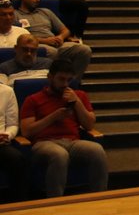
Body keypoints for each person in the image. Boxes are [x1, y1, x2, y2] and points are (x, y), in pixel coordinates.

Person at [19, 58, 107, 197]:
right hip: (44, 143)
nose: (65, 84)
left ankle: (99, 197)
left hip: (72, 142)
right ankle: (55, 201)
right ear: (50, 77)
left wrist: (76, 101)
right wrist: (53, 117)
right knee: (59, 155)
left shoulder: (79, 95)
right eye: (61, 79)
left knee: (97, 150)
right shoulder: (33, 99)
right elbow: (27, 131)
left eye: (69, 80)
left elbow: (89, 124)